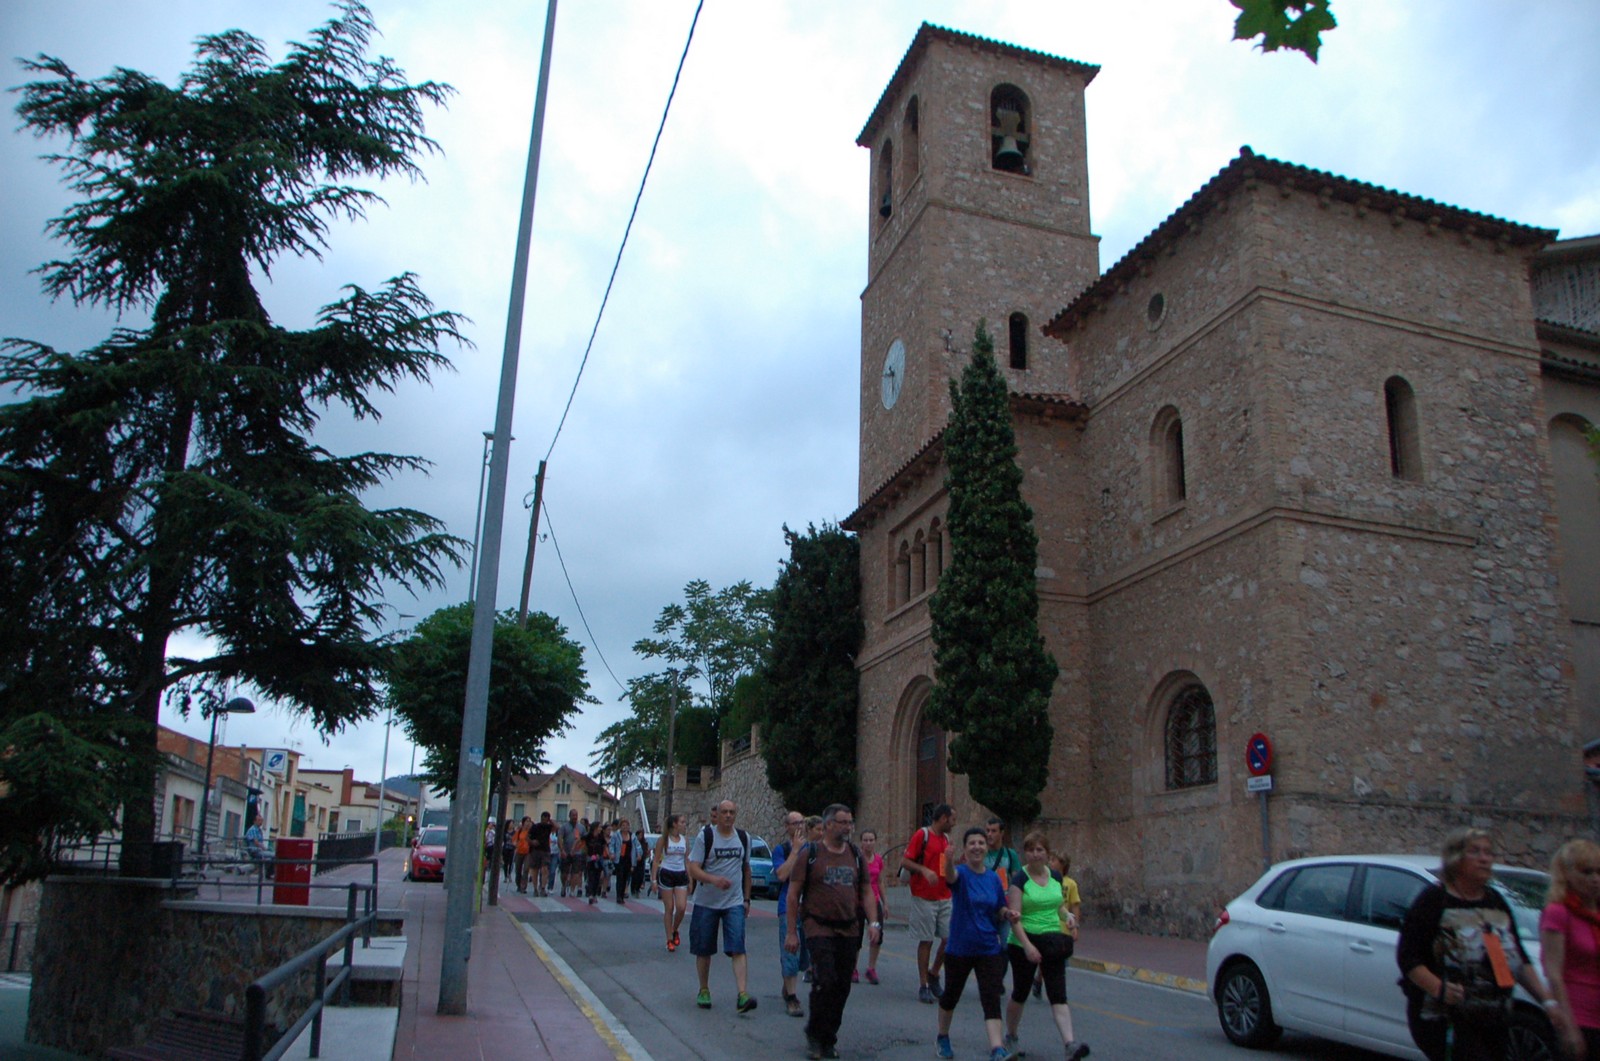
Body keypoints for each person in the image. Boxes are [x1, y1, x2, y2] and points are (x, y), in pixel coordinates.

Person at [1397, 826, 1557, 1061]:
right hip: (1445, 1019)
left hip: (1495, 1018)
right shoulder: (1434, 900)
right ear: (1456, 858)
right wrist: (1439, 988)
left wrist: (1548, 1001)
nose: (1484, 858)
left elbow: (1519, 958)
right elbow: (1408, 957)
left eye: (1488, 852)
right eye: (1475, 851)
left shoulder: (1495, 901)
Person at [786, 804, 880, 1061]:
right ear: (828, 825)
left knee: (842, 986)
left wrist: (874, 923)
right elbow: (793, 894)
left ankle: (829, 1037)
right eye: (842, 822)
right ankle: (815, 1035)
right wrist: (792, 932)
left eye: (850, 822)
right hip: (818, 926)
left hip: (849, 928)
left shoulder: (855, 854)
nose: (848, 827)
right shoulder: (811, 854)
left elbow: (866, 891)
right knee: (825, 980)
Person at [1002, 832, 1089, 1061]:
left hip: (1052, 941)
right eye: (1031, 850)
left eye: (1040, 850)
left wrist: (1068, 916)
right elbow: (1014, 918)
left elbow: (1058, 905)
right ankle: (1011, 1035)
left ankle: (1070, 1044)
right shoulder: (1020, 879)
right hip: (1023, 941)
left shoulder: (1056, 877)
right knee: (1020, 992)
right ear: (1025, 854)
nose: (1035, 854)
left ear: (1047, 854)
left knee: (1058, 994)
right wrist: (1028, 946)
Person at [933, 825, 1015, 1061]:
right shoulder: (960, 873)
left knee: (991, 999)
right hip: (960, 948)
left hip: (988, 947)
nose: (977, 847)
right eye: (972, 843)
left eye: (981, 843)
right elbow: (950, 877)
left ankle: (997, 1049)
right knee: (951, 995)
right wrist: (948, 860)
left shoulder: (994, 877)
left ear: (986, 847)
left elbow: (999, 907)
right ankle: (942, 1037)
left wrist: (1007, 914)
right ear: (965, 849)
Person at [687, 800, 757, 1013]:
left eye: (731, 812)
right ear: (717, 814)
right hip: (706, 902)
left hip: (733, 902)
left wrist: (746, 899)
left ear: (735, 815)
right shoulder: (706, 837)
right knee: (704, 949)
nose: (728, 816)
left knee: (738, 947)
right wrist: (713, 879)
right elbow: (693, 868)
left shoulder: (743, 838)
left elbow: (746, 869)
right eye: (724, 812)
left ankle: (742, 994)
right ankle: (704, 989)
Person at [1542, 838, 1600, 1059]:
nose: (1595, 879)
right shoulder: (1559, 912)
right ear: (1567, 874)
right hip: (1579, 1018)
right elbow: (1553, 973)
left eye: (1599, 872)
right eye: (1586, 872)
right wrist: (1569, 1026)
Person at [900, 803, 955, 1004]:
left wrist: (954, 862)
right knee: (926, 940)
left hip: (944, 896)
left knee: (950, 939)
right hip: (923, 896)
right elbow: (905, 862)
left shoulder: (946, 839)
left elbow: (944, 867)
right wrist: (924, 870)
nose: (954, 823)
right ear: (944, 818)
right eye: (952, 819)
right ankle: (923, 985)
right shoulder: (922, 835)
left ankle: (934, 973)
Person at [775, 811, 817, 1016]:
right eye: (795, 823)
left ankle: (787, 985)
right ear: (787, 827)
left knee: (804, 957)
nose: (799, 826)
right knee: (790, 951)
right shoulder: (781, 850)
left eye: (802, 822)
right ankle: (792, 997)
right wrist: (795, 851)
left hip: (808, 908)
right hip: (787, 907)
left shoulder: (813, 850)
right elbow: (782, 875)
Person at [854, 828, 887, 985]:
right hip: (857, 902)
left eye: (871, 840)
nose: (868, 843)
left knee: (877, 934)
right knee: (856, 936)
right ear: (861, 842)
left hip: (874, 901)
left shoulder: (878, 860)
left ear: (875, 842)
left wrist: (885, 903)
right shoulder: (856, 860)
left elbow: (880, 881)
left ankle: (871, 968)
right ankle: (853, 968)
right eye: (865, 840)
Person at [655, 813, 691, 950]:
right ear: (675, 824)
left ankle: (674, 929)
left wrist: (690, 879)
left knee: (681, 907)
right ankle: (669, 939)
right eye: (682, 822)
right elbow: (656, 860)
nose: (684, 825)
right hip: (666, 873)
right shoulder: (663, 840)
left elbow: (687, 860)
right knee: (669, 908)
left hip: (680, 873)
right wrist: (653, 880)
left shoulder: (684, 840)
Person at [558, 810, 583, 897]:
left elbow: (584, 839)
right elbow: (560, 838)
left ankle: (572, 890)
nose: (575, 817)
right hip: (566, 852)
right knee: (564, 872)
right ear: (569, 816)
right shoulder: (564, 827)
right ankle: (564, 885)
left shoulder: (581, 827)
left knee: (575, 872)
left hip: (577, 853)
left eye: (576, 815)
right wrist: (562, 850)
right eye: (573, 815)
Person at [530, 811, 555, 896]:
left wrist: (551, 821)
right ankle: (535, 888)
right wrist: (532, 842)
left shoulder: (548, 827)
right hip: (536, 850)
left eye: (546, 819)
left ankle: (543, 888)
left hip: (545, 850)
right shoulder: (535, 826)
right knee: (535, 869)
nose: (544, 820)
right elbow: (528, 837)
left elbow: (557, 827)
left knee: (545, 869)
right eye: (543, 818)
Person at [584, 820, 608, 905]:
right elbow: (583, 844)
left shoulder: (601, 837)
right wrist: (586, 854)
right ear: (595, 828)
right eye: (599, 827)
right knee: (591, 877)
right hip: (590, 858)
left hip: (599, 859)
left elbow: (604, 846)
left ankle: (594, 894)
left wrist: (607, 854)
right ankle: (591, 894)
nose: (601, 829)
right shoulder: (588, 836)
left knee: (597, 878)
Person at [614, 820, 637, 905]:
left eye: (627, 825)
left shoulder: (632, 836)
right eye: (623, 825)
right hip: (620, 859)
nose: (625, 827)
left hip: (629, 860)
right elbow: (612, 845)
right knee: (620, 877)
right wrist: (612, 853)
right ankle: (618, 896)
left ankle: (622, 895)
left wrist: (639, 854)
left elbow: (637, 846)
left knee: (625, 879)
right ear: (620, 827)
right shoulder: (617, 835)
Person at [512, 816, 534, 893]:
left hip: (528, 852)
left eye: (529, 821)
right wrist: (516, 844)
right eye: (527, 821)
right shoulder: (519, 831)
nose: (528, 823)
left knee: (526, 869)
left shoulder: (531, 832)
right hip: (519, 852)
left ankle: (523, 887)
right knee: (518, 869)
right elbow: (514, 840)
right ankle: (518, 884)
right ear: (523, 822)